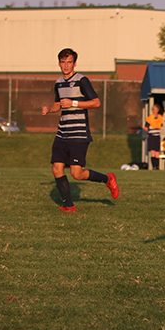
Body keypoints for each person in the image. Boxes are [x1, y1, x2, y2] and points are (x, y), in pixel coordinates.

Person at [40, 47, 119, 212]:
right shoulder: (58, 83)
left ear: (74, 64)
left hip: (79, 134)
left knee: (77, 173)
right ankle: (69, 205)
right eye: (63, 62)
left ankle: (107, 179)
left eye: (69, 62)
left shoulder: (82, 80)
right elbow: (58, 104)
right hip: (62, 133)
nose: (66, 66)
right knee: (56, 168)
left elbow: (96, 103)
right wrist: (49, 109)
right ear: (59, 63)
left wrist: (74, 103)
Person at [144, 103, 164, 170]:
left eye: (155, 109)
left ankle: (157, 167)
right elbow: (146, 127)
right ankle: (154, 167)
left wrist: (155, 127)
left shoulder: (160, 117)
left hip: (157, 136)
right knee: (152, 152)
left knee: (157, 152)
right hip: (151, 136)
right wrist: (148, 129)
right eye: (153, 109)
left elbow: (161, 125)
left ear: (158, 110)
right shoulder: (149, 118)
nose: (154, 110)